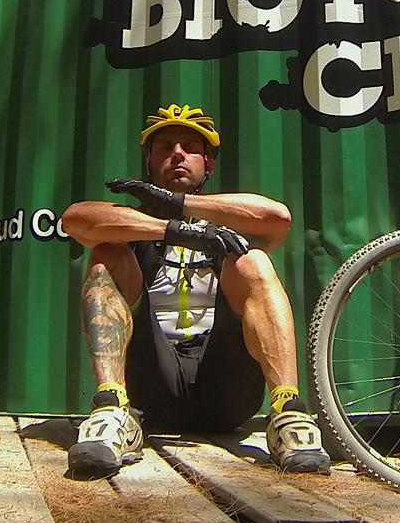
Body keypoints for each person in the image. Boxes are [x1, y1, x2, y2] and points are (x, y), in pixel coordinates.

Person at [59, 103, 332, 479]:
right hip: (150, 391)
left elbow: (277, 217)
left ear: (209, 164)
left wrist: (180, 206)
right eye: (165, 147)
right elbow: (74, 219)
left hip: (227, 391)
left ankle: (289, 414)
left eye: (189, 148)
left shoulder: (229, 219)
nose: (177, 154)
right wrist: (173, 229)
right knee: (105, 257)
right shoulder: (133, 222)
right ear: (149, 162)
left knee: (253, 261)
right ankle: (111, 409)